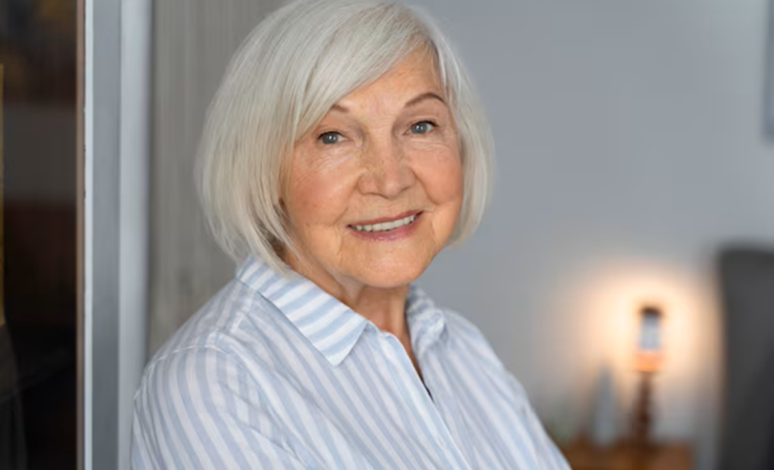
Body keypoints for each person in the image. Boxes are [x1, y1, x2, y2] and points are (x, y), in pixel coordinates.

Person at [132, 0, 569, 468]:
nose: (390, 179)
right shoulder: (214, 383)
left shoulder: (461, 349)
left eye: (421, 125)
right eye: (333, 136)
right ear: (263, 164)